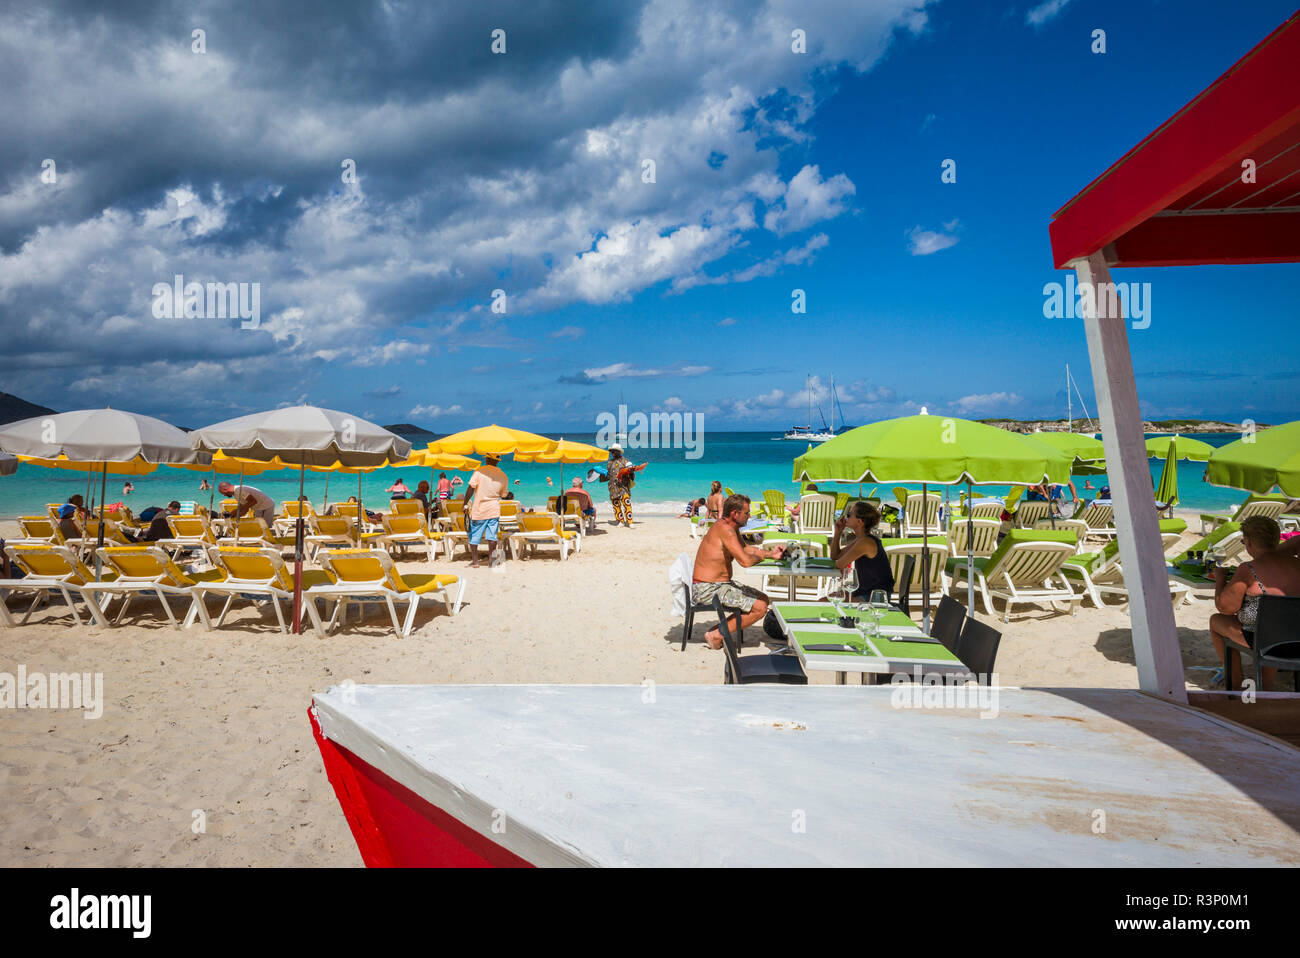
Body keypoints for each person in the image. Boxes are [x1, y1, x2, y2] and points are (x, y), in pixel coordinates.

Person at [1210, 516, 1300, 691]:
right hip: (1296, 640)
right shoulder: (1298, 564)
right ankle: (1265, 686)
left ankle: (1236, 686)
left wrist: (1220, 579)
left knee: (1216, 621)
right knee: (1274, 625)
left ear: (1249, 542)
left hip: (1266, 642)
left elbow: (1226, 608)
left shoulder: (1249, 569)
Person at [691, 494, 786, 650]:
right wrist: (761, 557)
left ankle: (718, 631)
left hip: (718, 585)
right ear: (735, 513)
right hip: (707, 588)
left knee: (763, 598)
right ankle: (716, 634)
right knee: (760, 606)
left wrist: (770, 554)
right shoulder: (725, 530)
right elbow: (746, 561)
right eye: (746, 513)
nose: (749, 516)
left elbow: (746, 549)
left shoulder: (729, 528)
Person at [830, 501, 895, 600]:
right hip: (867, 592)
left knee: (824, 601)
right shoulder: (861, 539)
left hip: (875, 597)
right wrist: (838, 532)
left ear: (859, 522)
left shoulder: (865, 542)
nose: (846, 517)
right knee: (828, 599)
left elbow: (839, 564)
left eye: (849, 515)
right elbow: (835, 556)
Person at [463, 452, 508, 567]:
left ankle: (475, 561)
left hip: (479, 509)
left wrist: (465, 504)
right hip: (494, 509)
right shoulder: (503, 475)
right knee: (492, 537)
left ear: (487, 460)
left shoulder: (479, 471)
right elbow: (503, 495)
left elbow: (471, 488)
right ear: (497, 461)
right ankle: (491, 561)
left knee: (475, 536)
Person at [602, 445, 647, 527]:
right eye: (611, 451)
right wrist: (601, 475)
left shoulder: (626, 461)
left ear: (618, 452)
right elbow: (608, 475)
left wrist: (630, 473)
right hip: (613, 486)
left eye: (614, 451)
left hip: (623, 486)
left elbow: (631, 473)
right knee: (616, 505)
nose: (612, 453)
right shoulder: (610, 463)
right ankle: (620, 521)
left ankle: (630, 522)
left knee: (627, 503)